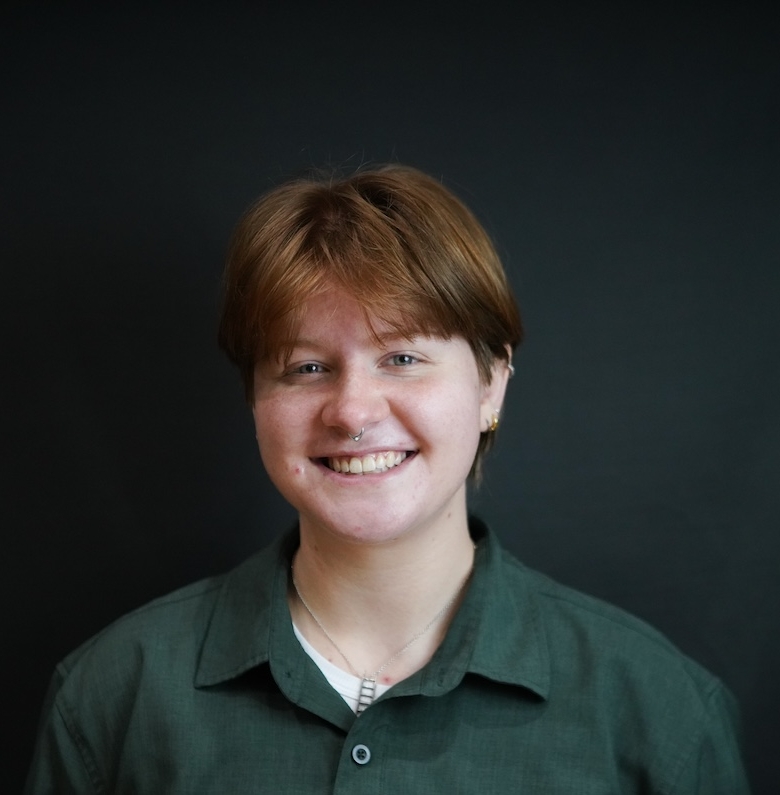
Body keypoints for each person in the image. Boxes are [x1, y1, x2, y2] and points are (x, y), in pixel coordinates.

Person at [25, 164, 750, 793]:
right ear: (254, 399)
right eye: (307, 367)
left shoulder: (660, 713)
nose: (352, 410)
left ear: (492, 382)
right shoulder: (113, 695)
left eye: (401, 357)